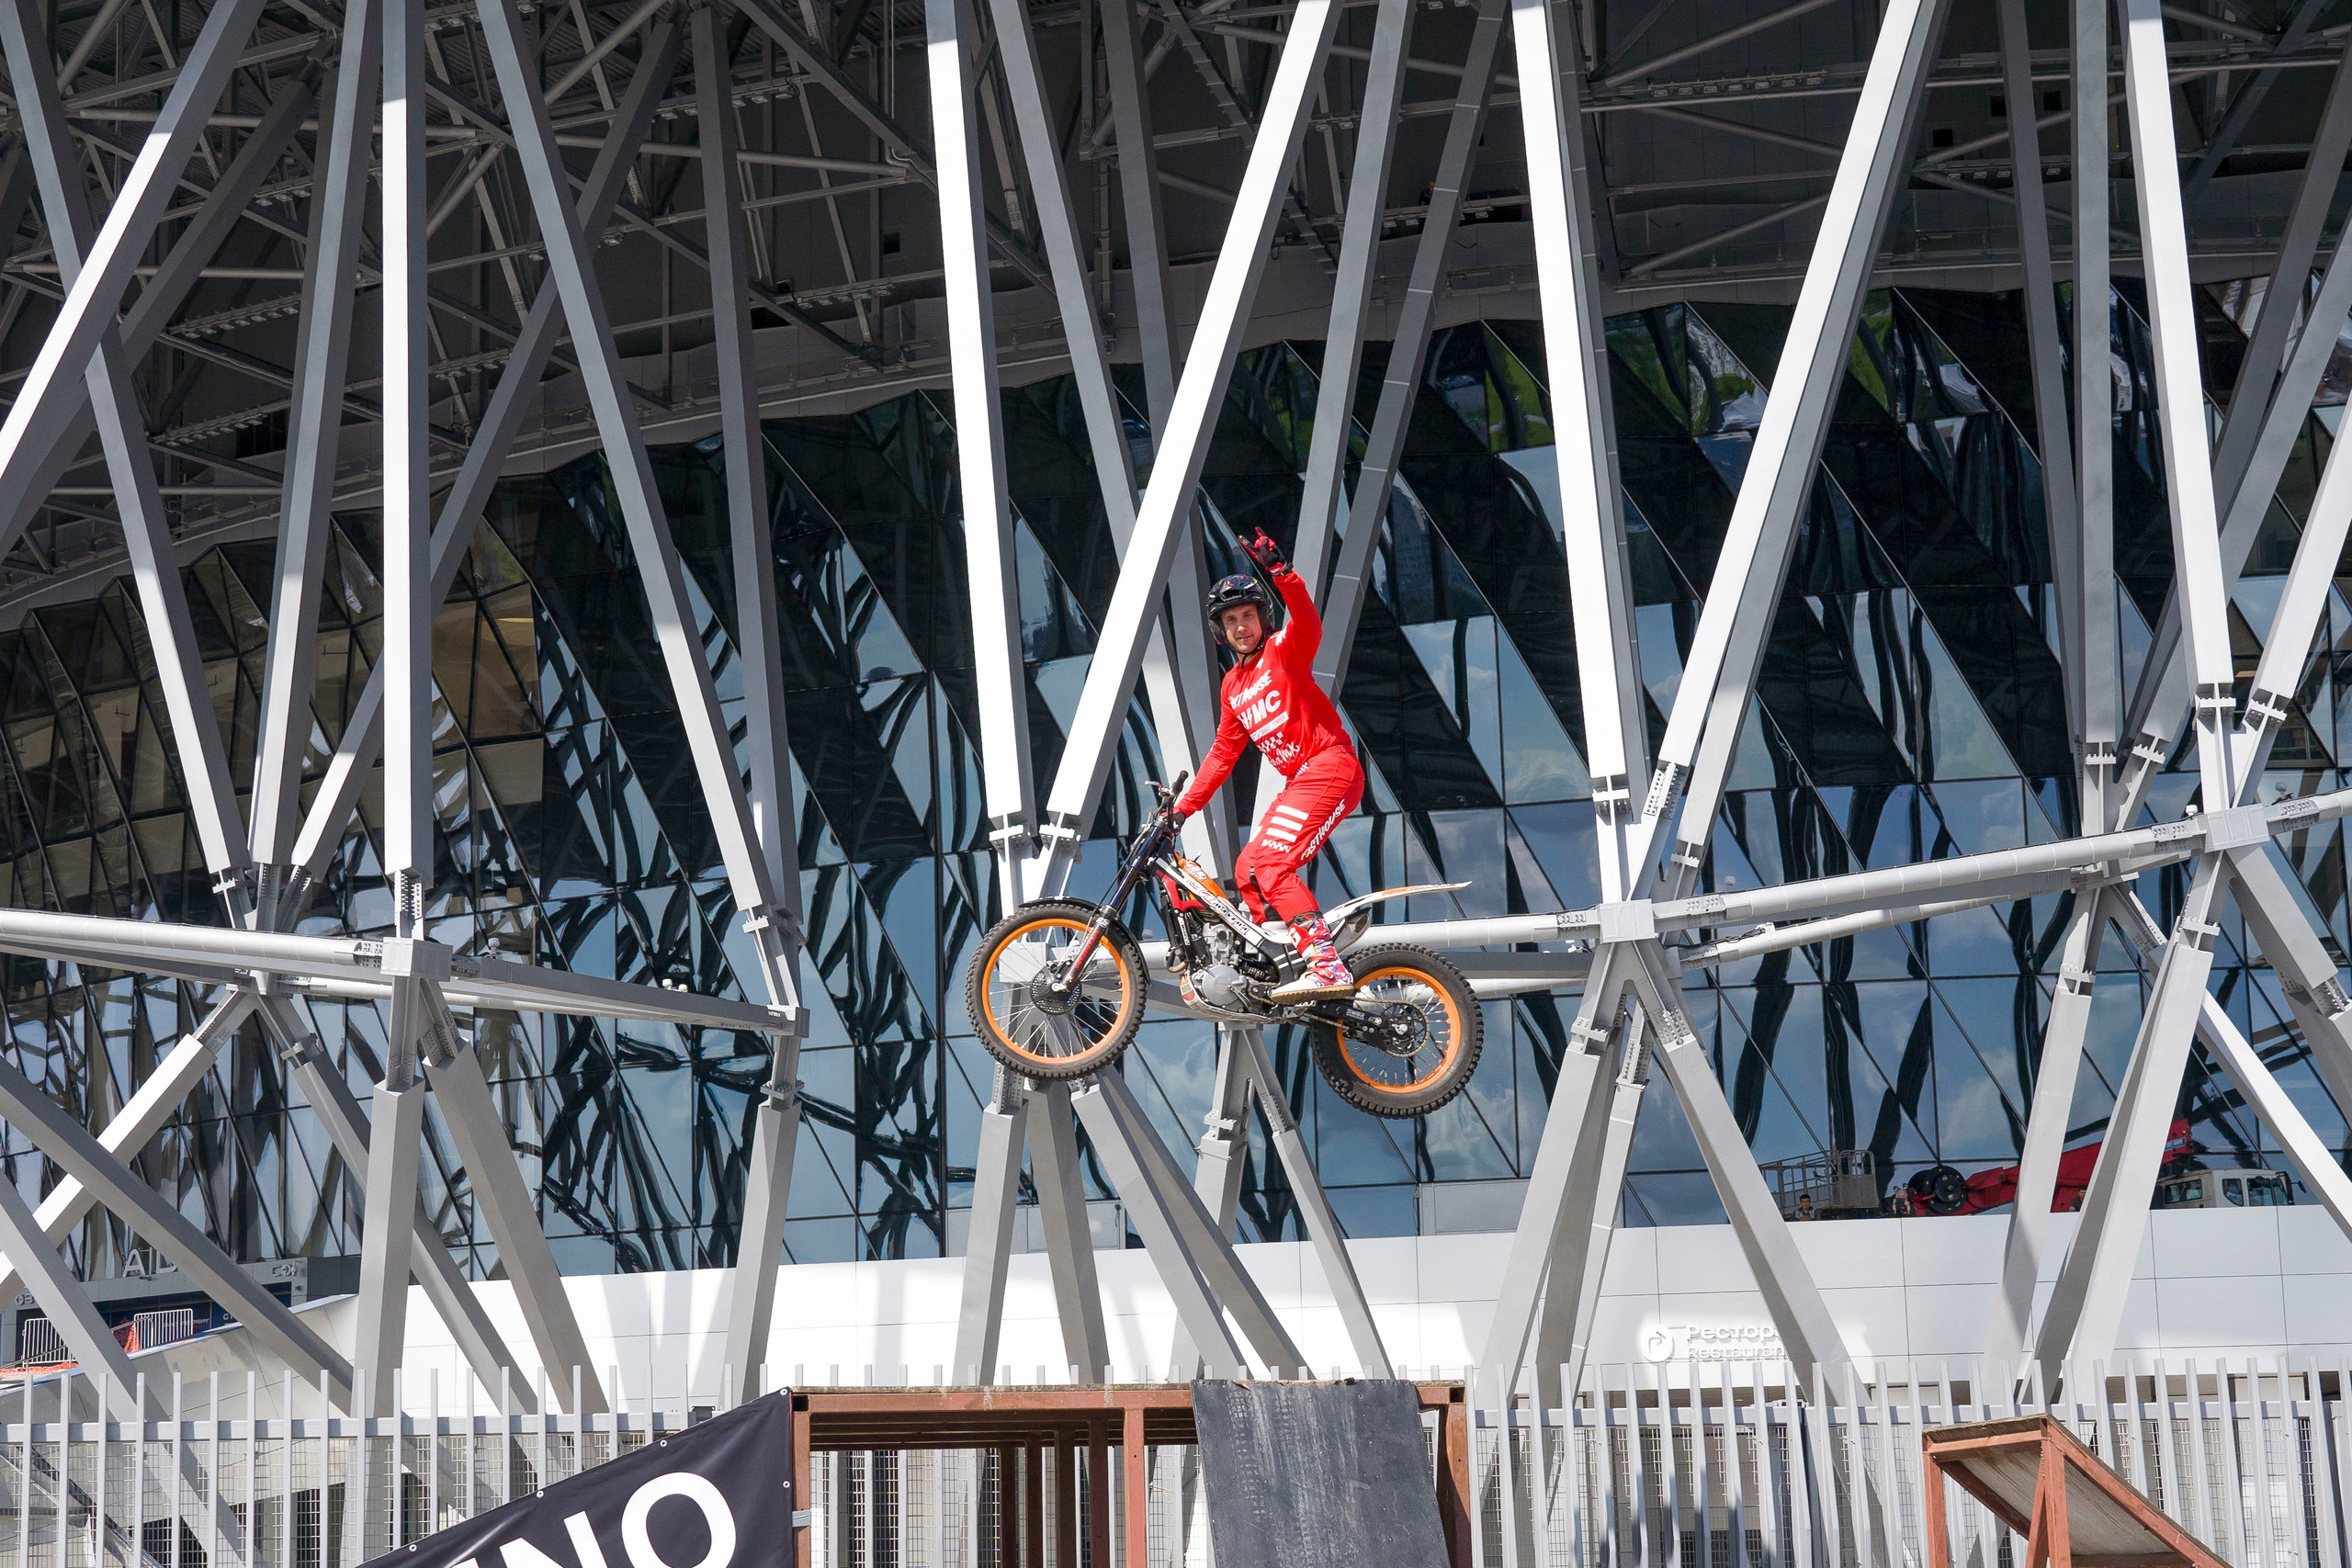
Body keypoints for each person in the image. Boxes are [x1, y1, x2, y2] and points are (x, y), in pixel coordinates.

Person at [1170, 528, 1365, 1003]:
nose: (1242, 626)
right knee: (1248, 868)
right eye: (1231, 620)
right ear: (1221, 631)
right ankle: (1277, 963)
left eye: (1249, 615)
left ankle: (1324, 962)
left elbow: (1309, 623)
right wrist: (1181, 810)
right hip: (1304, 779)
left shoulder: (1283, 650)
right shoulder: (1233, 688)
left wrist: (1283, 572)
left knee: (1273, 863)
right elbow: (1222, 755)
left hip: (1331, 766)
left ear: (1263, 618)